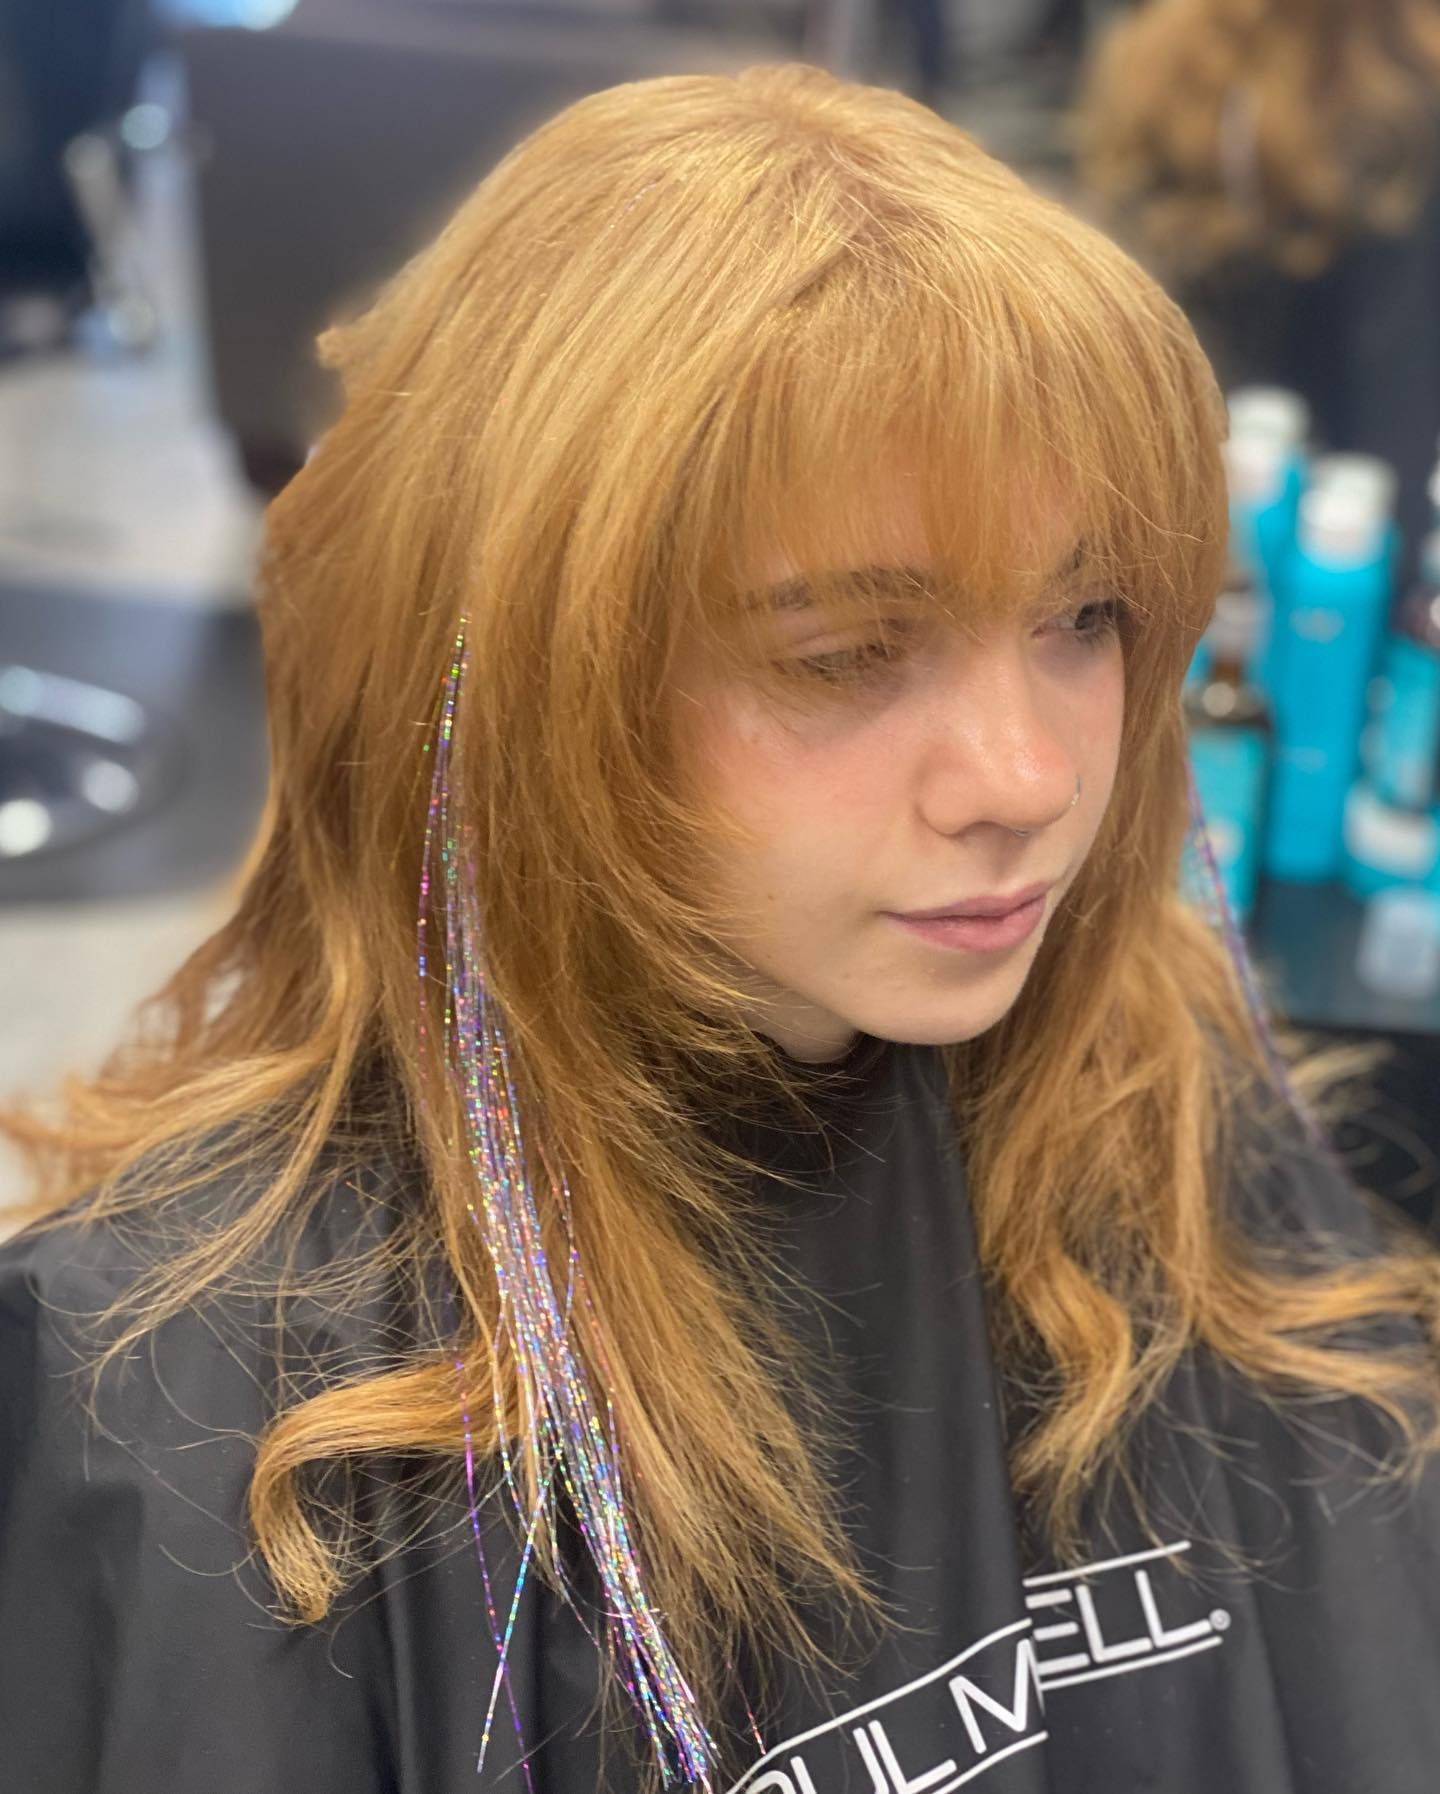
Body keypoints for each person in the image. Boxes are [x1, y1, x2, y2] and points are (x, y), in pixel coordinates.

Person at [2, 61, 1439, 1794]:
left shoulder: (1162, 1089)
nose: (1032, 773)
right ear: (523, 686)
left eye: (1086, 612)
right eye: (844, 651)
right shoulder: (196, 1400)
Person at [1076, 0, 1440, 580]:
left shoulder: (1153, 56)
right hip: (1316, 497)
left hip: (1163, 456)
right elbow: (1395, 388)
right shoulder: (1406, 97)